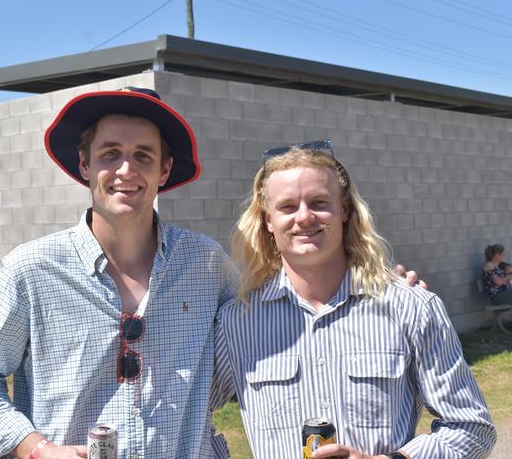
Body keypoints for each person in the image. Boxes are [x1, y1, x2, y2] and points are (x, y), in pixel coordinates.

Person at [0, 87, 237, 459]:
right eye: (110, 154)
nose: (126, 170)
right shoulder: (32, 270)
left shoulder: (206, 264)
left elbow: (263, 334)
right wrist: (36, 449)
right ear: (85, 164)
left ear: (164, 169)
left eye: (143, 155)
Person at [212, 140, 496, 458]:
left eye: (319, 202)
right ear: (267, 220)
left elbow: (472, 428)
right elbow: (183, 418)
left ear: (345, 209)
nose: (304, 217)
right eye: (288, 206)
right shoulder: (236, 321)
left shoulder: (412, 308)